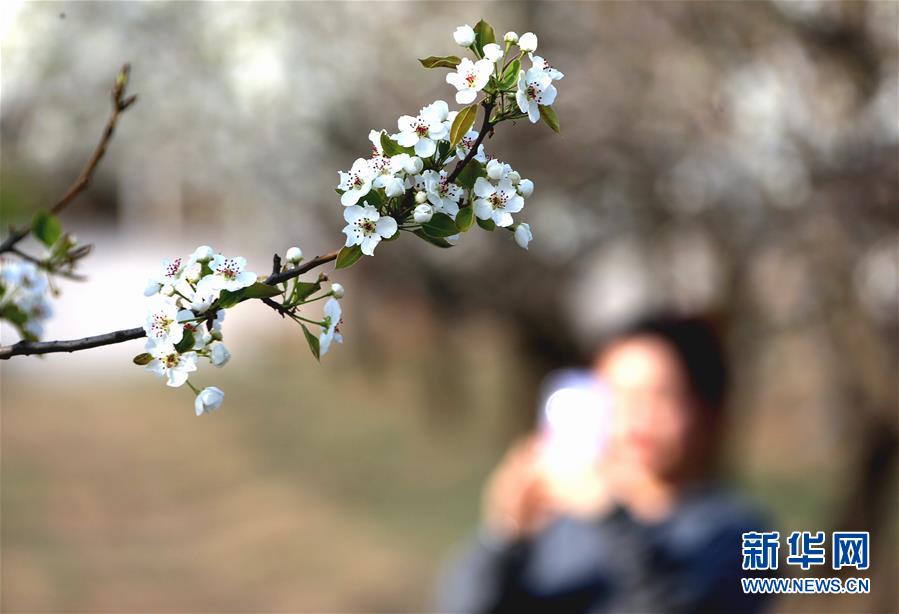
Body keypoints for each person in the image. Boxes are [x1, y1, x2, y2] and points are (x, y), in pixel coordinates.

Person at [437, 314, 772, 613]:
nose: (637, 416)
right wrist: (507, 535)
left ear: (704, 410)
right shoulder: (559, 527)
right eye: (618, 395)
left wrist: (610, 517)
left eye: (661, 395)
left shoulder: (735, 534)